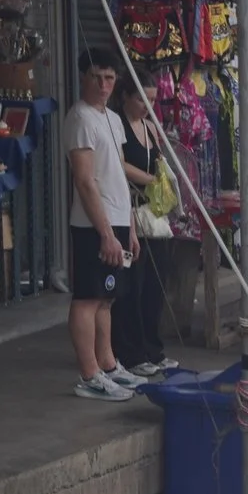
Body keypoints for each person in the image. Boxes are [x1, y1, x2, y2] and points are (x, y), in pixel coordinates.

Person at [65, 51, 142, 402]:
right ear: (84, 77)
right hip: (93, 224)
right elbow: (85, 179)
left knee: (107, 298)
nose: (103, 85)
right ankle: (89, 373)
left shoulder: (112, 118)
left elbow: (119, 171)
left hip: (118, 218)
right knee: (87, 298)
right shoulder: (80, 117)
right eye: (97, 77)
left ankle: (108, 364)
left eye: (109, 78)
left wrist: (130, 227)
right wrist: (106, 232)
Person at [112, 85, 180, 380]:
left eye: (152, 99)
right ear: (126, 95)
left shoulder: (151, 127)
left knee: (155, 286)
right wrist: (151, 179)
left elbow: (162, 162)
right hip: (130, 207)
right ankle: (130, 352)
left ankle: (153, 348)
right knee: (132, 288)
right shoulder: (117, 124)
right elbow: (117, 164)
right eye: (141, 97)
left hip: (153, 213)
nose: (147, 104)